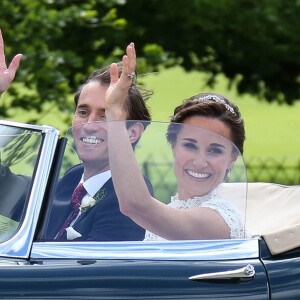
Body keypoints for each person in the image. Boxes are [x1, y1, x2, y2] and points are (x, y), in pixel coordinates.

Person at [0, 29, 153, 241]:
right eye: (83, 112)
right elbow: (4, 187)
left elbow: (91, 273)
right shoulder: (73, 179)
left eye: (106, 115)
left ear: (132, 132)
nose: (89, 125)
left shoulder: (129, 200)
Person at [103, 42, 246, 241]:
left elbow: (135, 205)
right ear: (173, 146)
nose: (199, 161)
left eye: (214, 150)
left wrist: (115, 116)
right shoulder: (169, 211)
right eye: (190, 145)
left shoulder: (220, 220)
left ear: (232, 158)